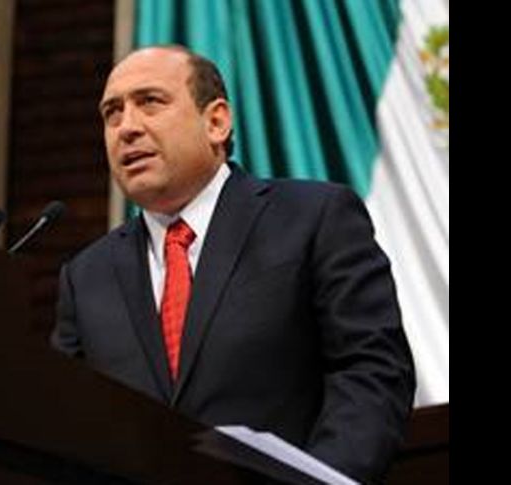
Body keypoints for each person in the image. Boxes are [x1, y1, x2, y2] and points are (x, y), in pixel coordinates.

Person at [50, 45, 415, 484]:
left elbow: (371, 370)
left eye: (150, 102)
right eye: (112, 113)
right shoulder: (86, 276)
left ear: (217, 122)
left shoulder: (314, 218)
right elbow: (63, 421)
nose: (126, 127)